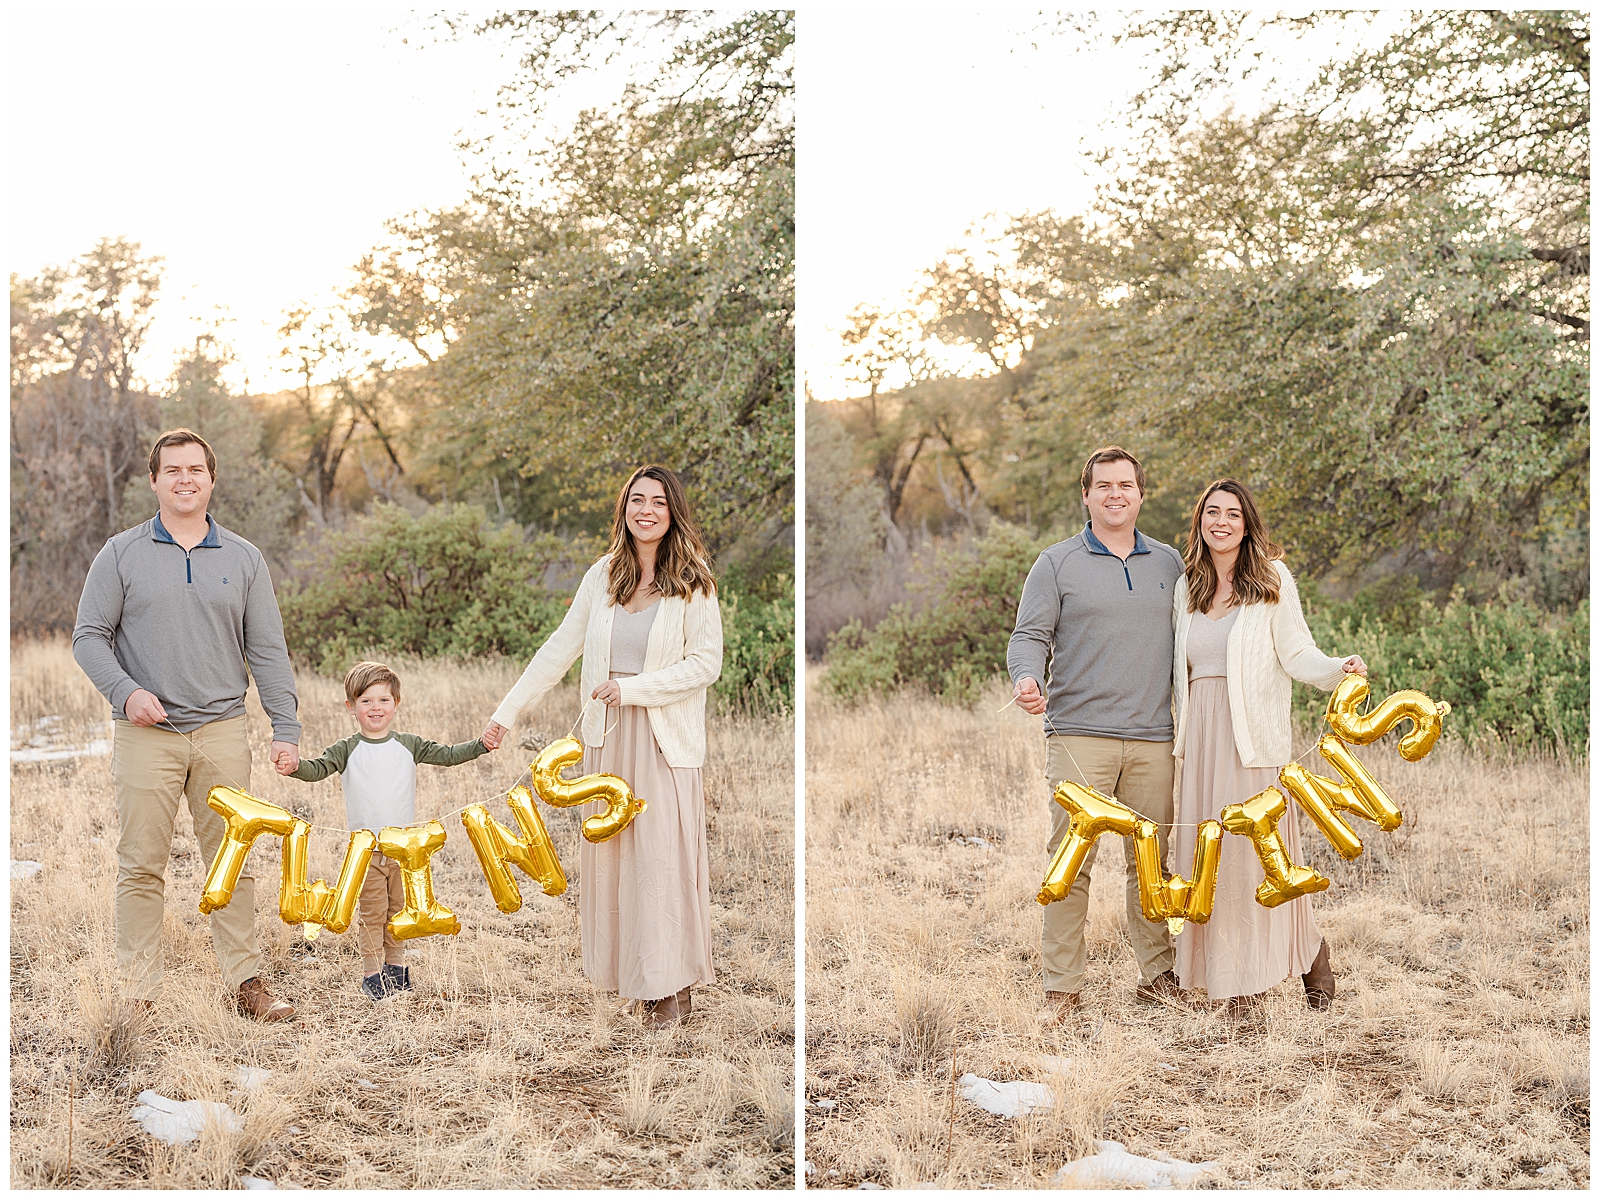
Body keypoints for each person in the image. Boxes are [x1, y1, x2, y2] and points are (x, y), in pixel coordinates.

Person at [481, 465, 723, 1028]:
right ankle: (646, 981)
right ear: (624, 509)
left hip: (662, 740)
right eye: (637, 500)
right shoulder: (604, 575)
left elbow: (706, 664)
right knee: (620, 862)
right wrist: (506, 714)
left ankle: (670, 987)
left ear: (673, 511)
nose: (647, 511)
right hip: (607, 741)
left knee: (661, 860)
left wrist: (633, 688)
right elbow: (559, 648)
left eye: (658, 502)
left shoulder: (695, 580)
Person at [73, 428, 302, 1022]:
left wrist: (286, 726)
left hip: (223, 729)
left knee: (232, 857)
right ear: (153, 481)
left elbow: (269, 650)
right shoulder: (120, 554)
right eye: (171, 470)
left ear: (211, 479)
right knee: (141, 862)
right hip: (146, 733)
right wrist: (125, 693)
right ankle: (139, 988)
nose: (184, 479)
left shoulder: (245, 558)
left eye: (194, 470)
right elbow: (89, 637)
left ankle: (245, 980)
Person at [1170, 478, 1364, 1016]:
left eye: (1233, 513)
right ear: (1200, 522)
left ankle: (1274, 972)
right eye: (1212, 512)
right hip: (1202, 742)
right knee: (1211, 861)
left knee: (1255, 861)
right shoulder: (1186, 586)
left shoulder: (1272, 579)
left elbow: (1298, 652)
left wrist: (1336, 670)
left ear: (1248, 523)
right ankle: (1259, 966)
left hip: (1252, 742)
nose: (1222, 522)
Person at [1008, 446, 1187, 1023]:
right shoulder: (1056, 563)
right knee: (1071, 860)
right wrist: (1027, 677)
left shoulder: (1170, 564)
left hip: (1154, 737)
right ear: (1085, 496)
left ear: (1141, 494)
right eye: (1103, 485)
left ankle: (1159, 974)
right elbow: (1029, 635)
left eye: (1125, 485)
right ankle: (1061, 988)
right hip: (1080, 733)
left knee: (1151, 862)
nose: (1115, 494)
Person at [279, 661, 493, 1001]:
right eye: (366, 701)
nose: (375, 708)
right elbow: (317, 769)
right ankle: (371, 972)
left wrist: (481, 744)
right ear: (351, 706)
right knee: (372, 912)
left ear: (396, 703)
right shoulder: (346, 749)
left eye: (383, 700)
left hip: (403, 852)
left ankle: (396, 967)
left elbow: (450, 755)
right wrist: (294, 767)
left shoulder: (409, 744)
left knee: (399, 911)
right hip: (366, 853)